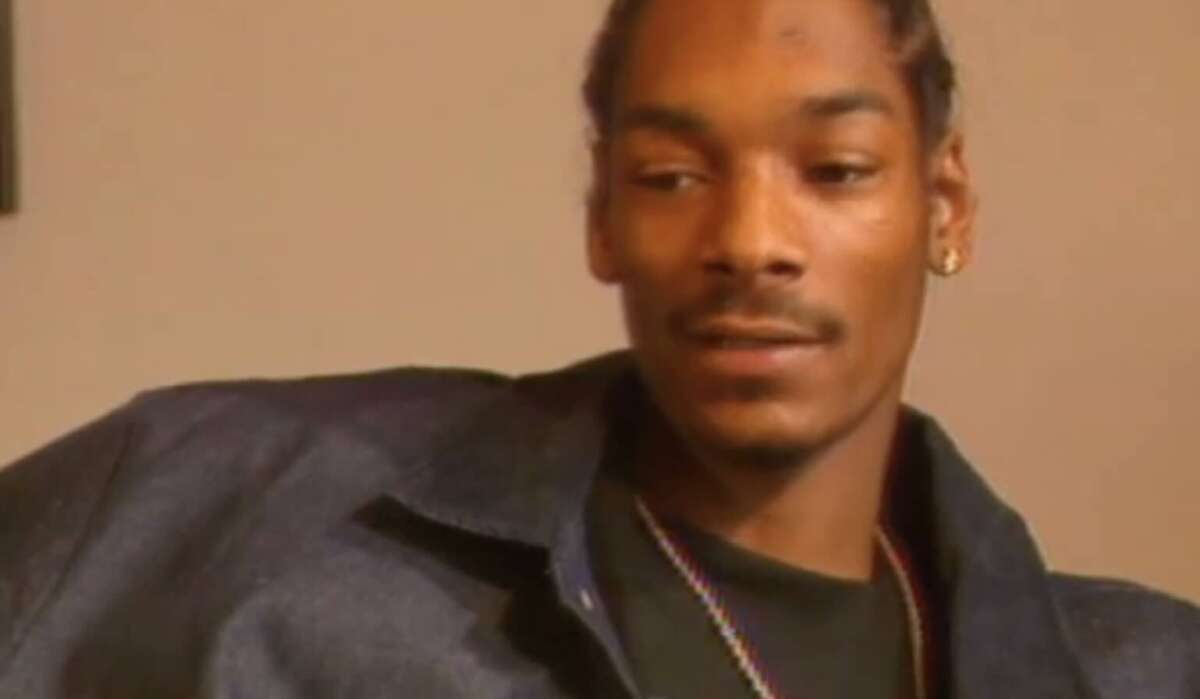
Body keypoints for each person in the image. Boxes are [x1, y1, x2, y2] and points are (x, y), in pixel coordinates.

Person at [1, 0, 1196, 696]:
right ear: (604, 222)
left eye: (833, 172)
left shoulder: (1144, 669)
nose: (749, 241)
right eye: (673, 176)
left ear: (946, 208)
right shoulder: (229, 498)